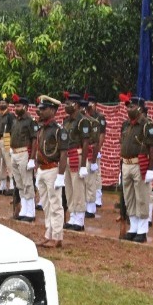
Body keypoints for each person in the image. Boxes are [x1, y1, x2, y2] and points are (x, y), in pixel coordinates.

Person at [118, 93, 153, 242]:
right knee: (129, 197)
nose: (129, 109)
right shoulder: (126, 124)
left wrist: (150, 169)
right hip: (126, 164)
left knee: (142, 197)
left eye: (132, 106)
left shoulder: (147, 125)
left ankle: (142, 229)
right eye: (128, 106)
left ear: (140, 108)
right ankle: (133, 227)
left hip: (139, 164)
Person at [31, 95, 66, 248]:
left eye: (44, 109)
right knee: (46, 204)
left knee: (55, 204)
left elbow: (64, 153)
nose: (40, 112)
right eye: (40, 109)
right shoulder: (42, 128)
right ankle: (48, 233)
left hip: (52, 169)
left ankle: (57, 237)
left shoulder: (59, 130)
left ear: (52, 110)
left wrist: (60, 175)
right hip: (42, 170)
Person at [60, 92, 89, 232]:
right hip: (66, 156)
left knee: (78, 188)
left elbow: (85, 143)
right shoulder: (66, 121)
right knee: (69, 188)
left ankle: (79, 218)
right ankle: (72, 214)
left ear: (76, 105)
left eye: (68, 103)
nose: (66, 106)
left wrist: (83, 165)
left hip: (77, 156)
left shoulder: (82, 121)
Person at [8, 94, 37, 222]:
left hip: (24, 153)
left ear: (25, 107)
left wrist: (32, 158)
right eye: (15, 106)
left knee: (27, 183)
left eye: (18, 106)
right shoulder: (15, 120)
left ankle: (30, 211)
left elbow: (34, 140)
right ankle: (24, 209)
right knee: (19, 183)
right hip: (14, 153)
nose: (16, 108)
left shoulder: (30, 121)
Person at [82, 96, 107, 219]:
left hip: (94, 149)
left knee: (95, 175)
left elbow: (101, 136)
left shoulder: (99, 117)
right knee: (86, 177)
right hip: (84, 150)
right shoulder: (83, 118)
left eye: (92, 103)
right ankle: (88, 202)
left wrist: (98, 150)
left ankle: (96, 199)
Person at [0, 96, 15, 195]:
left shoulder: (10, 116)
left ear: (8, 104)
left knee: (9, 162)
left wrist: (11, 144)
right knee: (0, 162)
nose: (2, 104)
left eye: (4, 103)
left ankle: (11, 185)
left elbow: (13, 130)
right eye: (0, 103)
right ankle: (2, 185)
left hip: (7, 138)